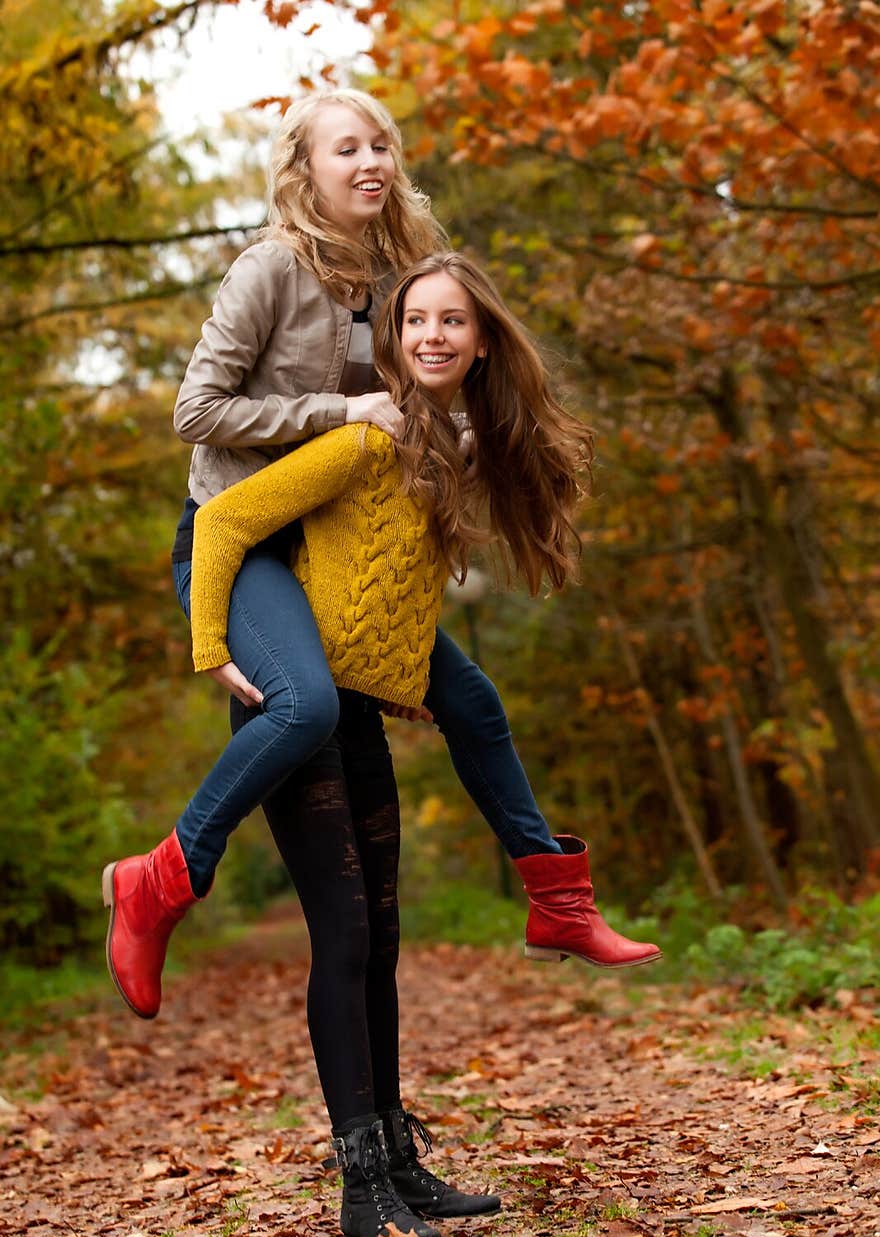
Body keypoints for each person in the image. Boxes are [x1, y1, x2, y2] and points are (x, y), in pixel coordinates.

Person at [103, 88, 659, 1030]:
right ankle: (161, 879)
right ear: (303, 169)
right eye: (345, 148)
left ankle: (560, 902)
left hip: (335, 544)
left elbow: (418, 410)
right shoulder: (268, 270)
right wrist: (340, 413)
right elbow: (195, 414)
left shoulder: (399, 279)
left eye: (381, 145)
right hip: (240, 540)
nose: (369, 162)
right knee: (306, 705)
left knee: (474, 702)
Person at [183, 250, 598, 1237]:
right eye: (416, 322)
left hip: (350, 690)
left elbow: (387, 588)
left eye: (453, 322)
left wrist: (411, 678)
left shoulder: (437, 441)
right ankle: (362, 1190)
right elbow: (223, 519)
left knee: (383, 931)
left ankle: (400, 1164)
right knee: (347, 939)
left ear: (481, 337)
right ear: (390, 339)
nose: (432, 337)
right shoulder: (364, 431)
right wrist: (210, 647)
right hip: (289, 689)